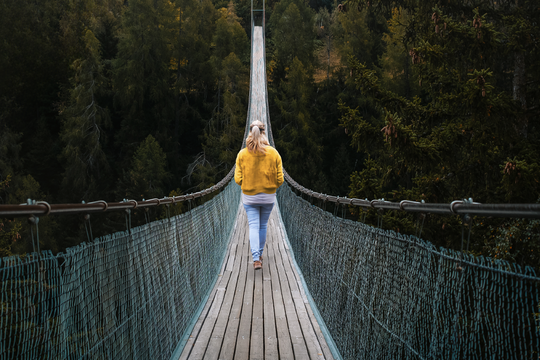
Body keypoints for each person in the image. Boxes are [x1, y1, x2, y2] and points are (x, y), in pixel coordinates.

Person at [234, 120, 284, 270]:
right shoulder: (274, 153)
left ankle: (256, 259)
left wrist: (248, 183)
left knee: (254, 225)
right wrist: (270, 185)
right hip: (268, 196)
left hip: (249, 197)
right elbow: (280, 179)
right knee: (262, 225)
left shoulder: (242, 154)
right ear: (264, 132)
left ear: (250, 132)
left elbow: (237, 179)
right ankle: (260, 255)